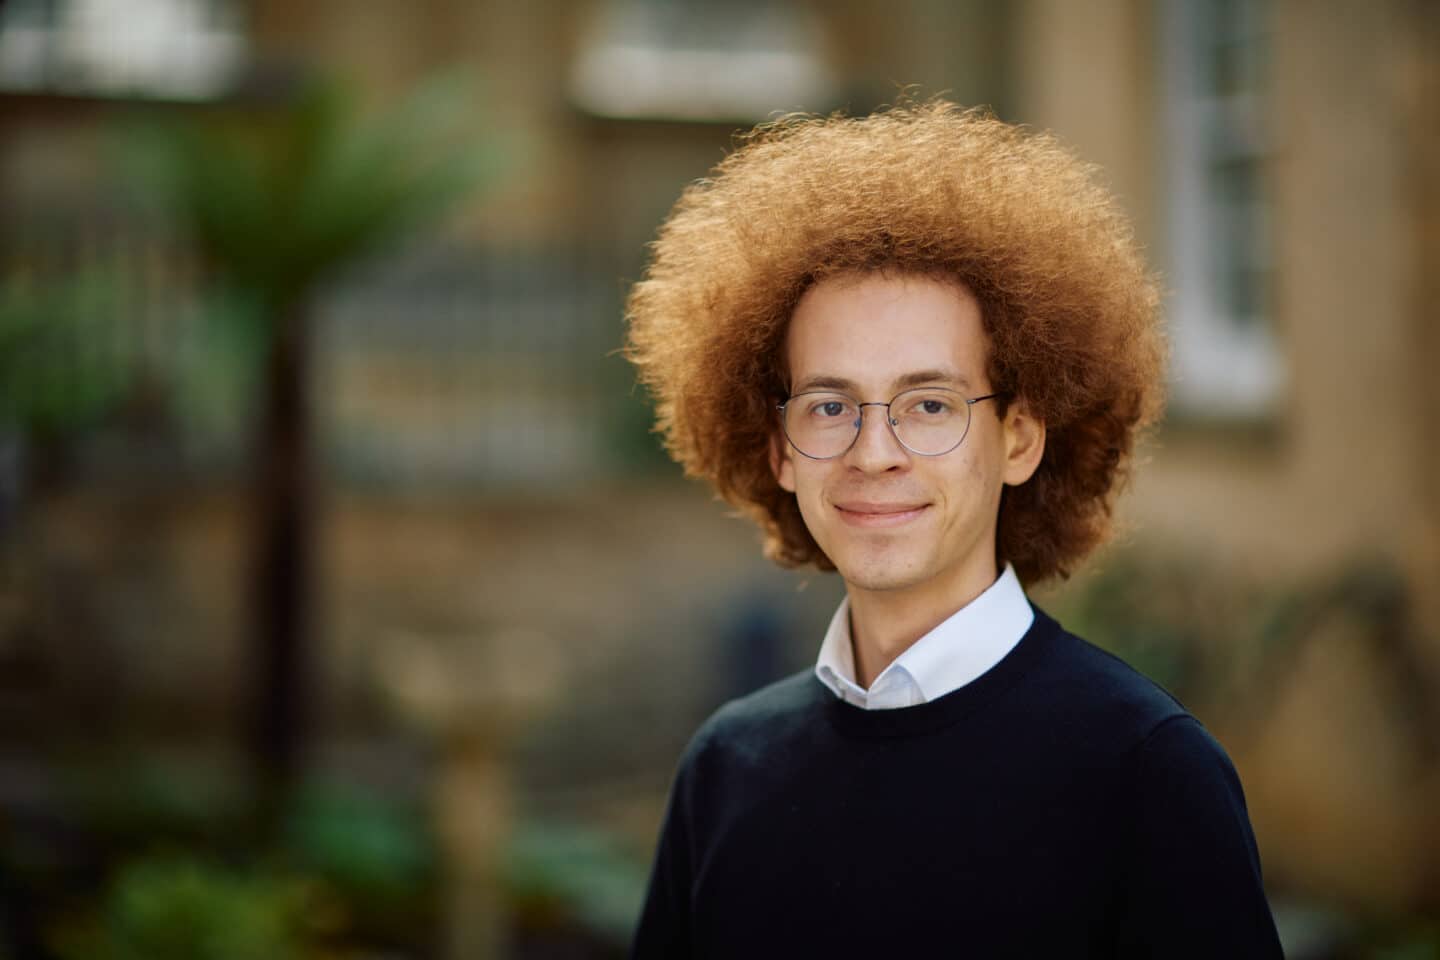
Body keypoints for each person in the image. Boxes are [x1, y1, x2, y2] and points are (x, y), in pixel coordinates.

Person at [623, 101, 1283, 958]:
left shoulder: (1146, 773)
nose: (874, 452)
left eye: (928, 404)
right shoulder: (725, 770)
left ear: (1019, 438)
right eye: (830, 405)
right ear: (780, 449)